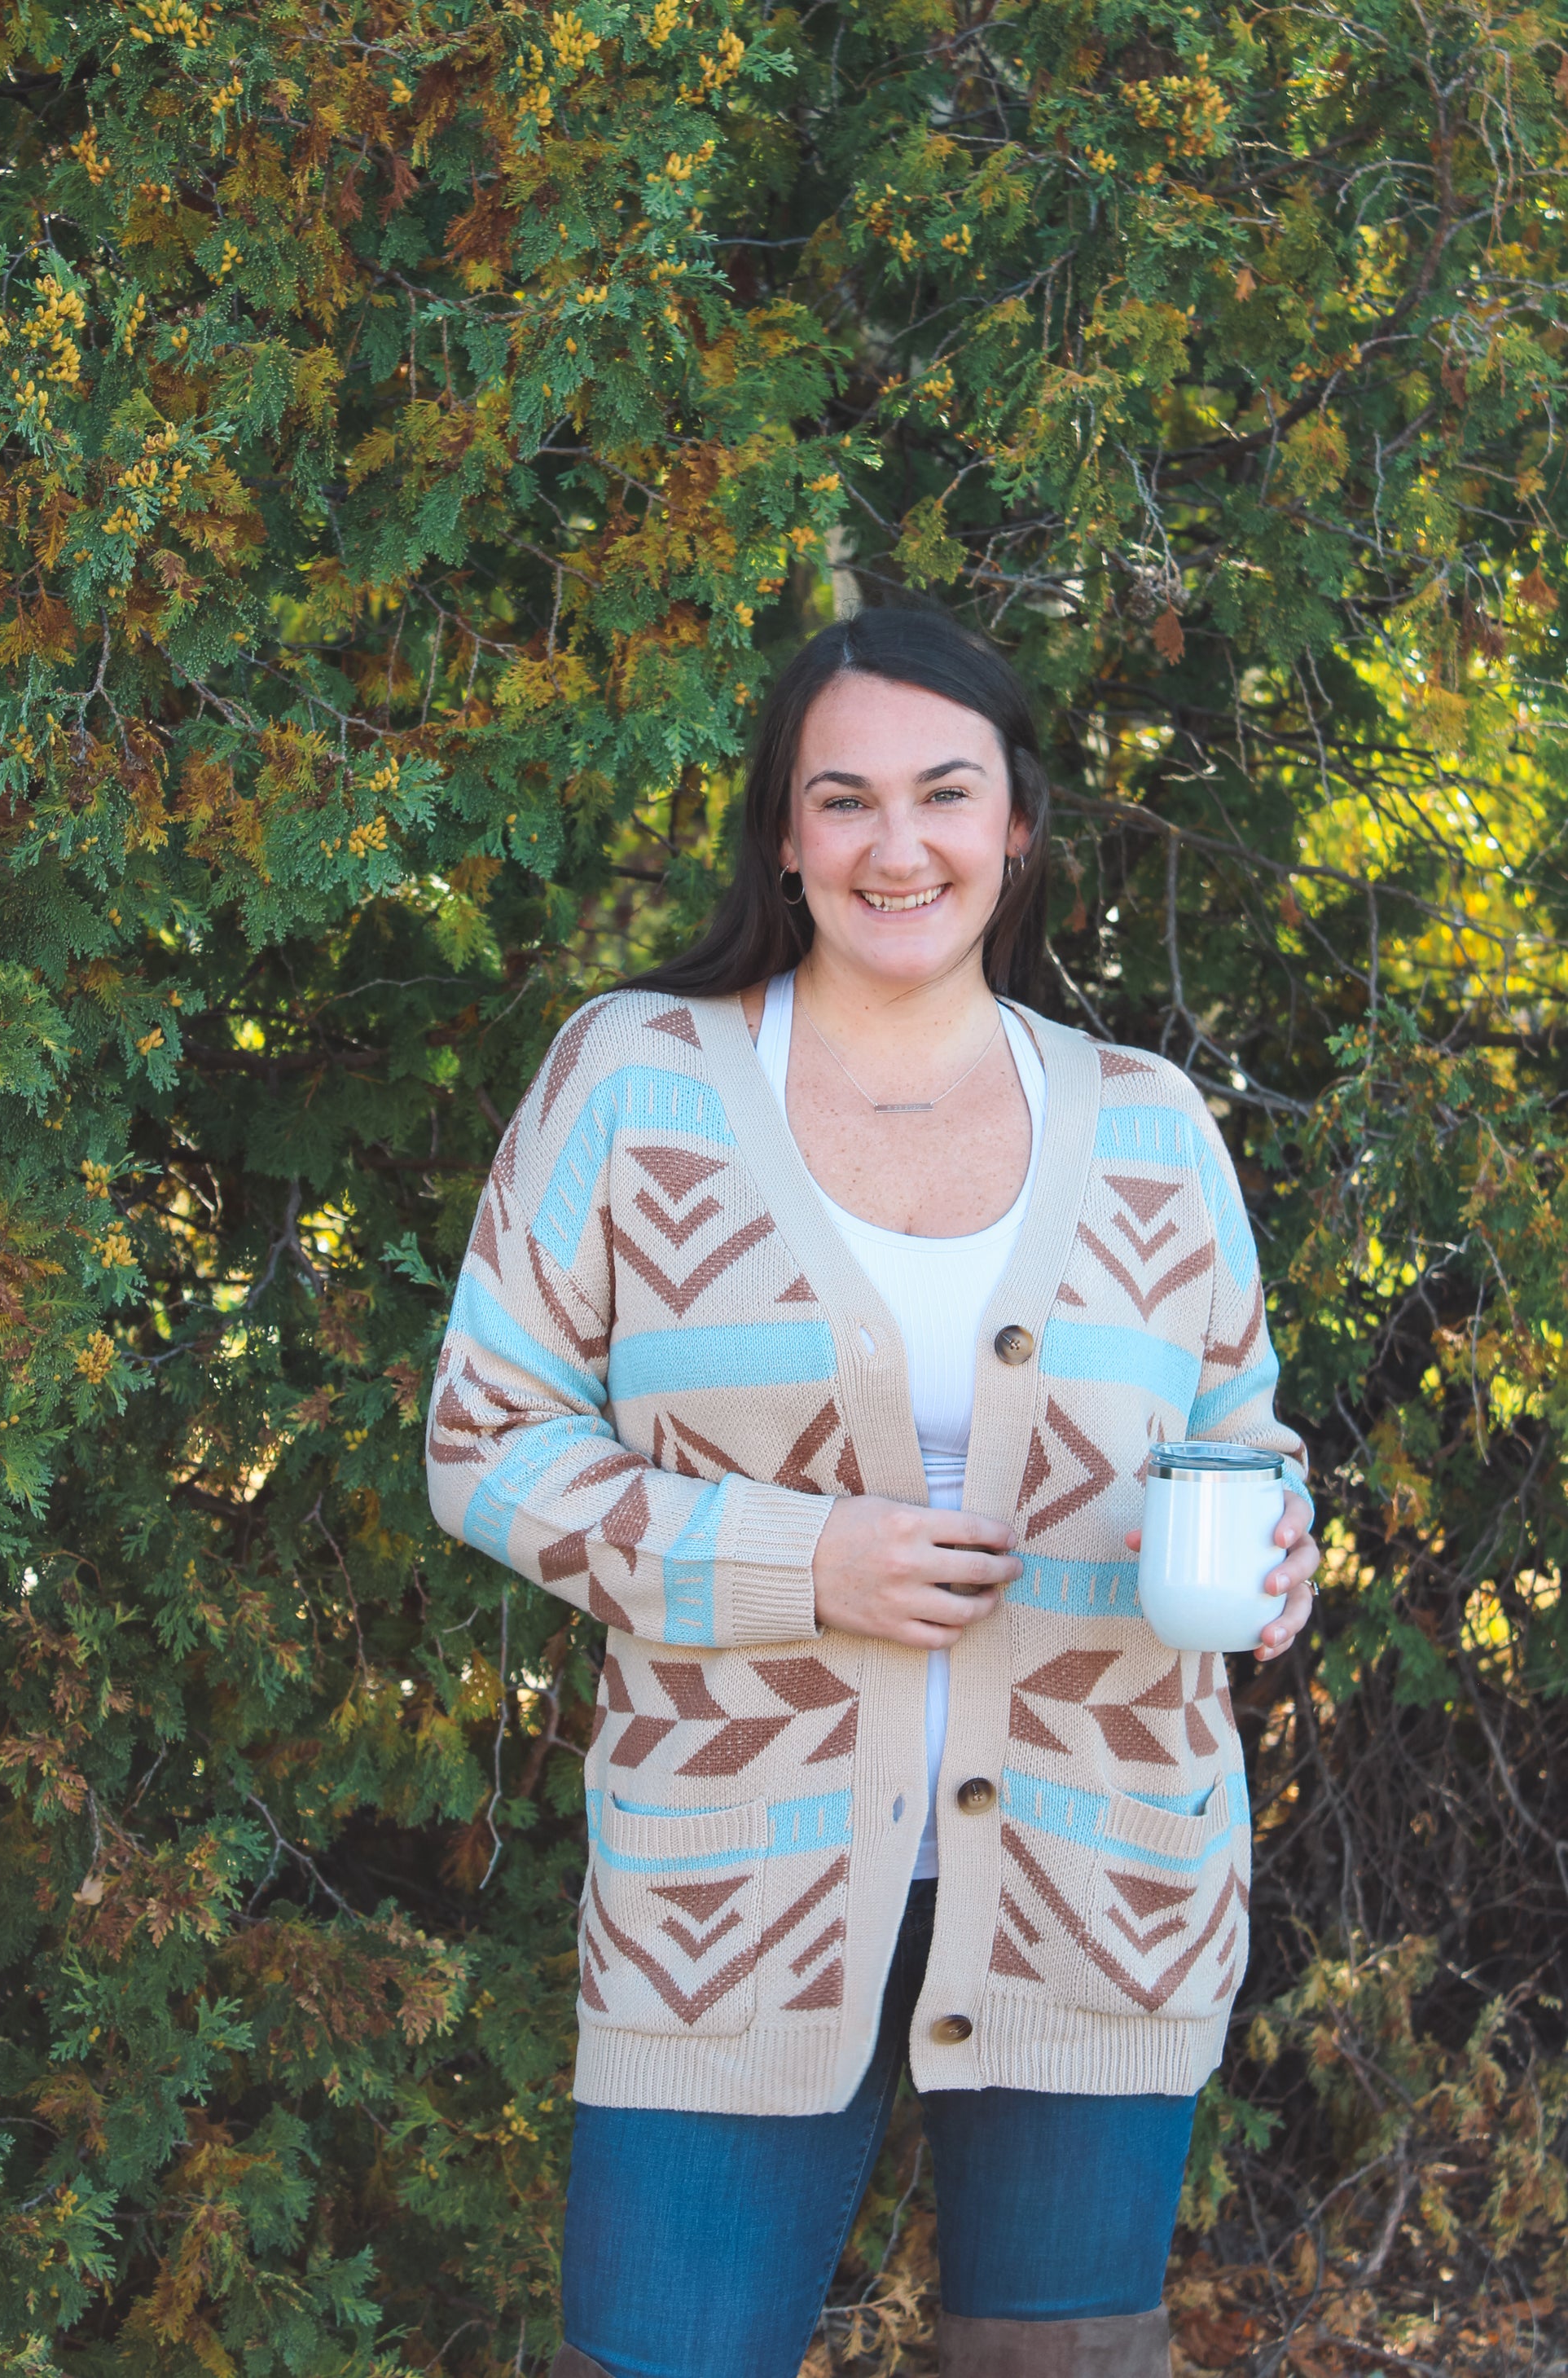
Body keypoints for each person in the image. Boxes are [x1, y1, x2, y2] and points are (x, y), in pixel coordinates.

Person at [427, 609, 1320, 2378]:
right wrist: (797, 1555)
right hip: (722, 1901)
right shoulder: (635, 1082)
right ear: (783, 832)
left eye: (943, 793)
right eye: (843, 799)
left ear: (1017, 823)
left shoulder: (1148, 1124)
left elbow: (1243, 1426)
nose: (895, 845)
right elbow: (486, 1440)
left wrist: (1278, 1543)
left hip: (1104, 1872)